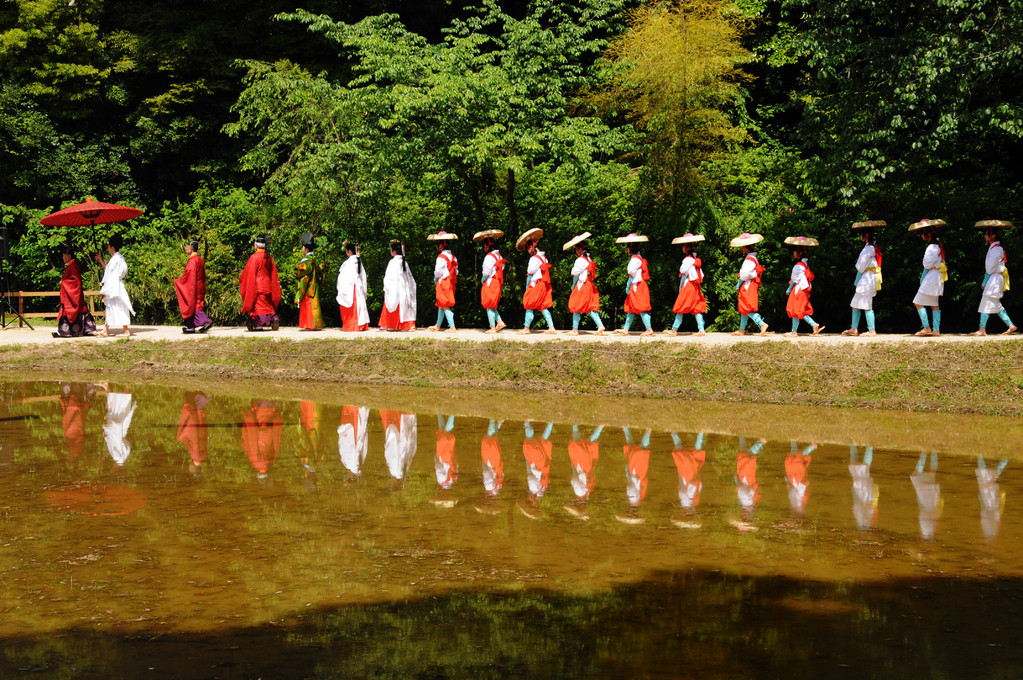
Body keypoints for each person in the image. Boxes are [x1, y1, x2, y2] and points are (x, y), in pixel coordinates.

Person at [971, 220, 1016, 336]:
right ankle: (1010, 325)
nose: (985, 236)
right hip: (995, 278)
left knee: (986, 301)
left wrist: (985, 281)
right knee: (995, 304)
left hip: (995, 278)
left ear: (992, 236)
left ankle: (982, 329)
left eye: (987, 234)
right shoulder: (995, 248)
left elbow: (990, 268)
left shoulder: (996, 249)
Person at [842, 221, 884, 337]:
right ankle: (854, 328)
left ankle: (872, 330)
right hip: (867, 277)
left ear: (865, 236)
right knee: (855, 303)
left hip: (868, 278)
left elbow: (860, 267)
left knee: (867, 305)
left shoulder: (868, 249)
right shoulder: (871, 247)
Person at [909, 219, 947, 337]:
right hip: (936, 276)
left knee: (917, 302)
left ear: (927, 234)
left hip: (932, 277)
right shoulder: (937, 246)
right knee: (934, 304)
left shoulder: (932, 247)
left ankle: (926, 327)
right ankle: (936, 329)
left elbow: (926, 265)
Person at [564, 232, 605, 335]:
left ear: (579, 249)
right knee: (589, 306)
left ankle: (574, 329)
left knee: (576, 305)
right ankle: (600, 325)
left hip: (582, 285)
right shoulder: (589, 259)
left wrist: (573, 286)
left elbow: (574, 273)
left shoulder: (580, 260)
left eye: (576, 249)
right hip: (589, 284)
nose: (576, 251)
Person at [239, 234, 282, 331]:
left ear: (256, 246)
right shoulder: (269, 257)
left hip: (257, 285)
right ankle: (274, 317)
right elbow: (273, 273)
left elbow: (248, 273)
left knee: (258, 307)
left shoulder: (254, 258)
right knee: (268, 305)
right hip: (268, 285)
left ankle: (258, 325)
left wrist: (242, 278)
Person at [783, 236, 824, 337]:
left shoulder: (799, 265)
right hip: (804, 289)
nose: (793, 253)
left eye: (795, 251)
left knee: (796, 309)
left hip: (799, 289)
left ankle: (794, 331)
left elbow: (794, 279)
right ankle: (813, 324)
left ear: (800, 253)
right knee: (801, 309)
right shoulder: (805, 264)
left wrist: (788, 289)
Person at [667, 233, 707, 336]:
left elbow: (682, 270)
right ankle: (701, 329)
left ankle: (674, 329)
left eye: (683, 246)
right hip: (695, 285)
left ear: (687, 247)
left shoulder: (688, 259)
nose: (682, 248)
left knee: (681, 305)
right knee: (696, 306)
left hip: (688, 284)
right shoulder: (694, 258)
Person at [517, 228, 555, 333]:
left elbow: (530, 270)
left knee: (529, 303)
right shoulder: (544, 258)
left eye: (527, 249)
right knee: (542, 305)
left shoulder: (534, 258)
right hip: (543, 283)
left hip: (536, 283)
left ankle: (526, 328)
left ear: (530, 247)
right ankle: (551, 327)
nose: (528, 251)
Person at [729, 233, 769, 336]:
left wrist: (740, 281)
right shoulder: (751, 258)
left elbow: (744, 274)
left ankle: (761, 323)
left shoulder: (750, 259)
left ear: (746, 248)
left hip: (748, 284)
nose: (742, 249)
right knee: (744, 306)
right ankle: (742, 329)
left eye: (743, 247)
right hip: (749, 283)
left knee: (745, 306)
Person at [615, 234, 654, 336]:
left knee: (641, 306)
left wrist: (628, 286)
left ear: (631, 247)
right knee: (631, 307)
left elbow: (631, 275)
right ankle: (626, 328)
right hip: (638, 285)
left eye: (627, 247)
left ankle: (649, 329)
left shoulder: (635, 260)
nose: (626, 249)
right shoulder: (638, 257)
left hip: (638, 286)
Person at [54, 247, 96, 338]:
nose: (63, 257)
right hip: (70, 293)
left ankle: (82, 330)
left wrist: (64, 283)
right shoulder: (71, 266)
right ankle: (80, 330)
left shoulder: (73, 266)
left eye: (64, 255)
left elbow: (75, 281)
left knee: (76, 309)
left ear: (69, 256)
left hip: (74, 293)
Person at [174, 239, 213, 334]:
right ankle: (190, 327)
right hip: (200, 285)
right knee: (196, 305)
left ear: (191, 248)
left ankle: (206, 321)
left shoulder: (193, 261)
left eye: (187, 247)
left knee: (193, 306)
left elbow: (189, 276)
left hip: (194, 286)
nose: (186, 249)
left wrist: (179, 282)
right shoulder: (200, 260)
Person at [379, 241, 417, 331]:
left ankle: (389, 324)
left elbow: (389, 277)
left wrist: (387, 287)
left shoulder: (393, 262)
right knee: (405, 306)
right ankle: (408, 325)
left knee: (391, 303)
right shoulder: (404, 262)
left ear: (394, 251)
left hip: (395, 288)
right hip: (404, 289)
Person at [242, 400, 283, 481]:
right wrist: (248, 422)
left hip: (269, 434)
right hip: (259, 434)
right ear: (259, 473)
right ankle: (264, 404)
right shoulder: (256, 463)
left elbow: (276, 443)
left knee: (267, 417)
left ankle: (270, 405)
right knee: (261, 416)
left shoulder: (271, 462)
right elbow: (251, 441)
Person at [475, 230, 507, 334]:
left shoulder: (489, 257)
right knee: (492, 304)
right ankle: (499, 321)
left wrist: (483, 279)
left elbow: (486, 271)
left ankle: (492, 327)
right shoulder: (499, 256)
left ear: (486, 245)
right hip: (497, 281)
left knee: (488, 304)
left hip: (490, 281)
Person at [427, 231, 458, 331]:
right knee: (441, 304)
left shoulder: (441, 257)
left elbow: (438, 271)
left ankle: (452, 326)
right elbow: (456, 271)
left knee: (445, 305)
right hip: (451, 282)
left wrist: (436, 277)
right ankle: (438, 325)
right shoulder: (453, 257)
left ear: (441, 245)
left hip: (443, 282)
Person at [336, 241, 369, 331]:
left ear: (349, 251)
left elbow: (343, 278)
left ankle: (351, 326)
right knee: (359, 307)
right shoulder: (358, 262)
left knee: (350, 307)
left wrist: (340, 289)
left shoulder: (348, 263)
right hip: (358, 288)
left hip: (350, 288)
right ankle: (360, 325)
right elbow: (363, 278)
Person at [294, 232, 323, 331]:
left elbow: (303, 278)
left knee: (308, 304)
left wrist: (299, 292)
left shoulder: (305, 262)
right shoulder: (317, 260)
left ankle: (309, 324)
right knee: (315, 304)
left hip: (307, 288)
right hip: (316, 287)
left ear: (306, 249)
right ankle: (316, 324)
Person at [338, 405, 369, 478]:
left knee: (349, 417)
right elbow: (358, 455)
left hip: (347, 437)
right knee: (355, 418)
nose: (348, 476)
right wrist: (358, 469)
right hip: (354, 438)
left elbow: (341, 447)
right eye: (349, 478)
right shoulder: (354, 467)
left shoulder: (346, 464)